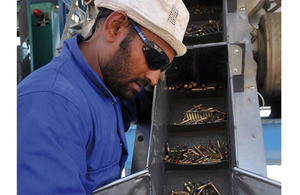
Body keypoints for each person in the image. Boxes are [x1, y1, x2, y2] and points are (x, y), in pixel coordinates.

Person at [17, 0, 189, 194]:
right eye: (154, 59)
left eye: (163, 67)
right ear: (115, 27)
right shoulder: (49, 108)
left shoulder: (104, 84)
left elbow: (122, 109)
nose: (154, 78)